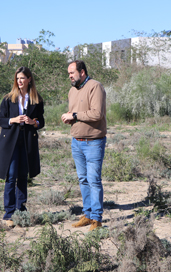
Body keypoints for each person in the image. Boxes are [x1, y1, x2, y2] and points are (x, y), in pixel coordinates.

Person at [0, 66, 44, 227]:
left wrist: (33, 122)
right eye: (17, 78)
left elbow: (41, 121)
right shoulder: (8, 98)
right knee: (11, 176)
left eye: (22, 78)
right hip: (10, 142)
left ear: (29, 79)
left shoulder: (36, 99)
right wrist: (13, 120)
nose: (20, 81)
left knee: (23, 175)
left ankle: (21, 209)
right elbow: (1, 120)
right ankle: (9, 213)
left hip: (27, 141)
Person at [61, 60, 107, 231]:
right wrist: (69, 117)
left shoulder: (96, 87)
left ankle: (96, 219)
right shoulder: (72, 90)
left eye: (72, 73)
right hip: (77, 143)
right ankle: (87, 215)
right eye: (68, 74)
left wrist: (74, 115)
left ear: (82, 72)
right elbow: (76, 115)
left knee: (94, 180)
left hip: (94, 142)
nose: (70, 76)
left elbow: (97, 114)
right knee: (83, 179)